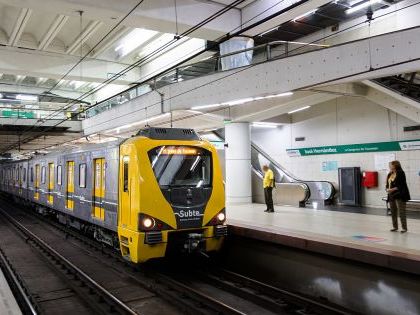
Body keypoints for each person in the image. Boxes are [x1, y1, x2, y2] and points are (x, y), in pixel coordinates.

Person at [386, 160, 410, 233]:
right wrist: (387, 188)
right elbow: (387, 183)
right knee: (393, 211)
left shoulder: (401, 173)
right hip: (391, 195)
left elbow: (401, 185)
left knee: (401, 212)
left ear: (395, 165)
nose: (389, 166)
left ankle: (404, 228)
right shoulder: (390, 174)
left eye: (391, 165)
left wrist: (392, 189)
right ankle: (395, 227)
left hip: (400, 194)